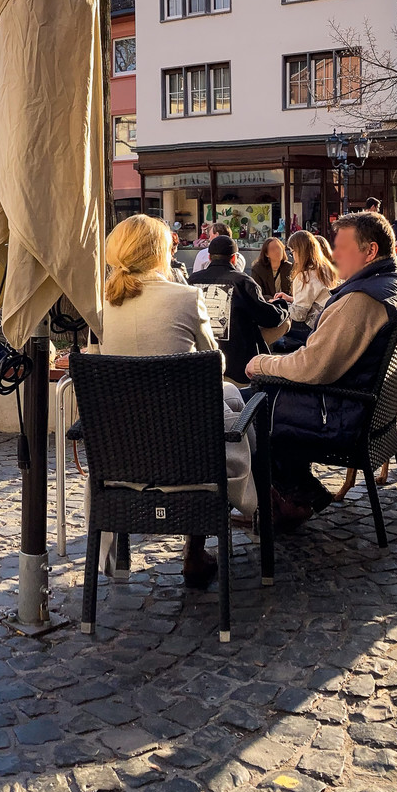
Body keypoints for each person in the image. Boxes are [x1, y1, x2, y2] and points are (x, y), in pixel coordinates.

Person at [92, 215, 256, 588]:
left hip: (120, 456)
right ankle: (195, 552)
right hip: (187, 458)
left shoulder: (101, 304)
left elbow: (97, 366)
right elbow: (214, 365)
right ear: (158, 253)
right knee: (228, 401)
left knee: (218, 401)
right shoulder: (185, 298)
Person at [244, 212, 397, 530]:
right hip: (372, 412)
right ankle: (301, 493)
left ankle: (293, 498)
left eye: (341, 248)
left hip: (343, 415)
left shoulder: (361, 299)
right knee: (262, 398)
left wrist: (260, 362)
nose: (334, 255)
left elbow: (312, 367)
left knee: (253, 406)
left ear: (370, 251)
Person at [187, 236, 285, 383]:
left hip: (201, 362)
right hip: (238, 364)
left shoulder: (192, 280)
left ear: (209, 257)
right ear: (234, 259)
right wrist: (282, 306)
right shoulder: (242, 281)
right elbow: (269, 318)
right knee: (284, 322)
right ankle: (260, 365)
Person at [274, 230, 339, 349]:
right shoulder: (326, 269)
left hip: (312, 327)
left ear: (299, 251)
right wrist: (291, 299)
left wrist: (279, 306)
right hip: (329, 323)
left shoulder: (305, 276)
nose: (292, 256)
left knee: (272, 320)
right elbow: (315, 300)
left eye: (292, 252)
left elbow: (299, 315)